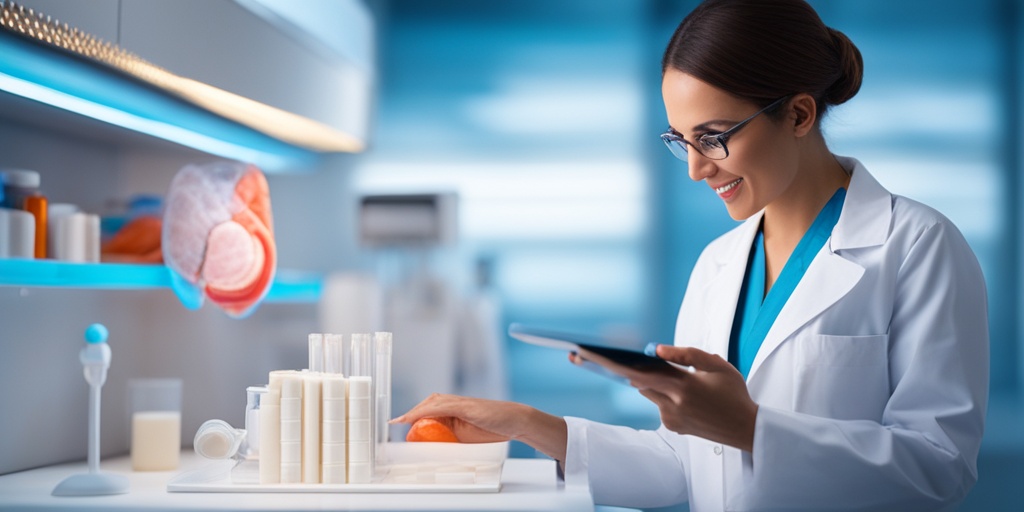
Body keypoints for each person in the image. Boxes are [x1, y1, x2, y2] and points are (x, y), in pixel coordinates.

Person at [392, 0, 990, 510]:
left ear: (799, 114)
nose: (698, 168)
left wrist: (752, 428)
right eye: (682, 140)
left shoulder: (917, 245)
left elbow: (941, 468)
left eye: (714, 137)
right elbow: (689, 462)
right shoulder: (719, 262)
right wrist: (528, 424)